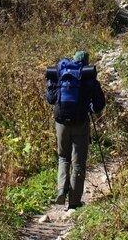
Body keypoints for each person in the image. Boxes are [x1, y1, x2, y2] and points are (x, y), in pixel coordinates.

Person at [45, 50, 106, 210]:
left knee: (63, 158)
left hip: (61, 122)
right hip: (80, 123)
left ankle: (61, 190)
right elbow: (100, 104)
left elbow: (51, 99)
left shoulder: (62, 73)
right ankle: (74, 202)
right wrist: (89, 108)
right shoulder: (88, 77)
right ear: (86, 62)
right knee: (78, 163)